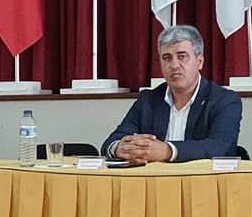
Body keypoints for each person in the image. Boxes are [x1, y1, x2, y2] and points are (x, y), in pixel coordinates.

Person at [103, 25, 243, 162]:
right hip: (154, 176)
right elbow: (111, 142)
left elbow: (219, 147)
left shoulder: (224, 100)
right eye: (167, 58)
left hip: (201, 177)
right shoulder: (148, 100)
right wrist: (118, 149)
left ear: (199, 61)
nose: (174, 65)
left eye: (182, 57)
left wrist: (167, 151)